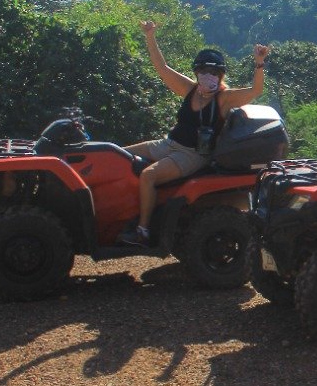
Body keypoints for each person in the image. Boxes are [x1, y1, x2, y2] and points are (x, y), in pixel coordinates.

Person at [116, 20, 270, 245]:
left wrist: (259, 64)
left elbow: (255, 90)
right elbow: (162, 68)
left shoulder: (223, 99)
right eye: (205, 71)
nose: (210, 76)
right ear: (197, 72)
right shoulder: (189, 90)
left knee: (149, 175)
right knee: (116, 153)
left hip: (193, 154)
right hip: (168, 144)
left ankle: (143, 230)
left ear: (221, 75)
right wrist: (150, 36)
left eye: (215, 72)